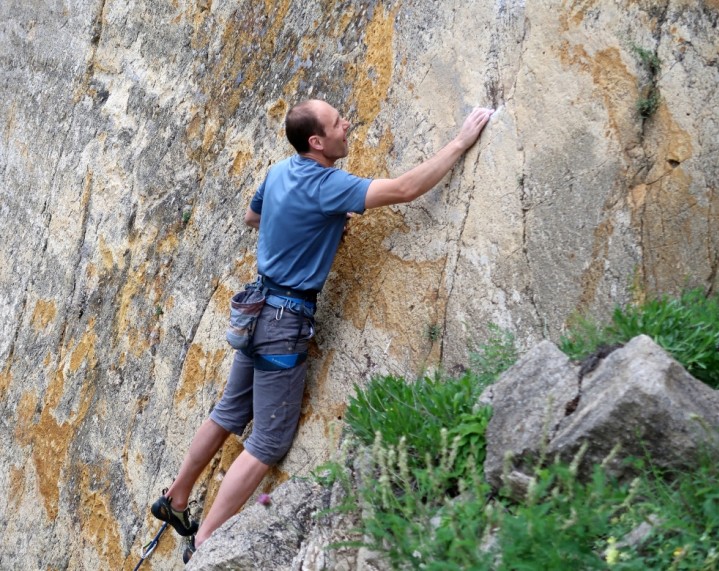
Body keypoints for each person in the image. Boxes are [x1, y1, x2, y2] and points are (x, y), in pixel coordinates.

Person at [150, 99, 493, 563]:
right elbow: (405, 189)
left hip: (256, 309)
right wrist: (459, 142)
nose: (346, 124)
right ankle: (208, 540)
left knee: (230, 411)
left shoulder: (278, 173)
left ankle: (176, 497)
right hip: (283, 322)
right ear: (317, 141)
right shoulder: (328, 184)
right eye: (337, 123)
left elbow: (254, 218)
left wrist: (309, 226)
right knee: (268, 442)